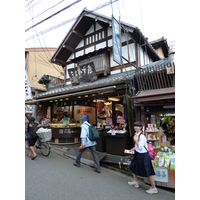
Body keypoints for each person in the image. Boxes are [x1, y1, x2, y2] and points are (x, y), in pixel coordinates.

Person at [128, 121, 158, 194]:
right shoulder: (136, 134)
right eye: (135, 126)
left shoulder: (141, 136)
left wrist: (135, 140)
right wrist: (133, 148)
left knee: (148, 171)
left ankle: (154, 188)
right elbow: (138, 146)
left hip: (144, 155)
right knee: (133, 167)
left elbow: (141, 147)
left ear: (140, 127)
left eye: (137, 126)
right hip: (138, 154)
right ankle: (135, 182)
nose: (136, 127)